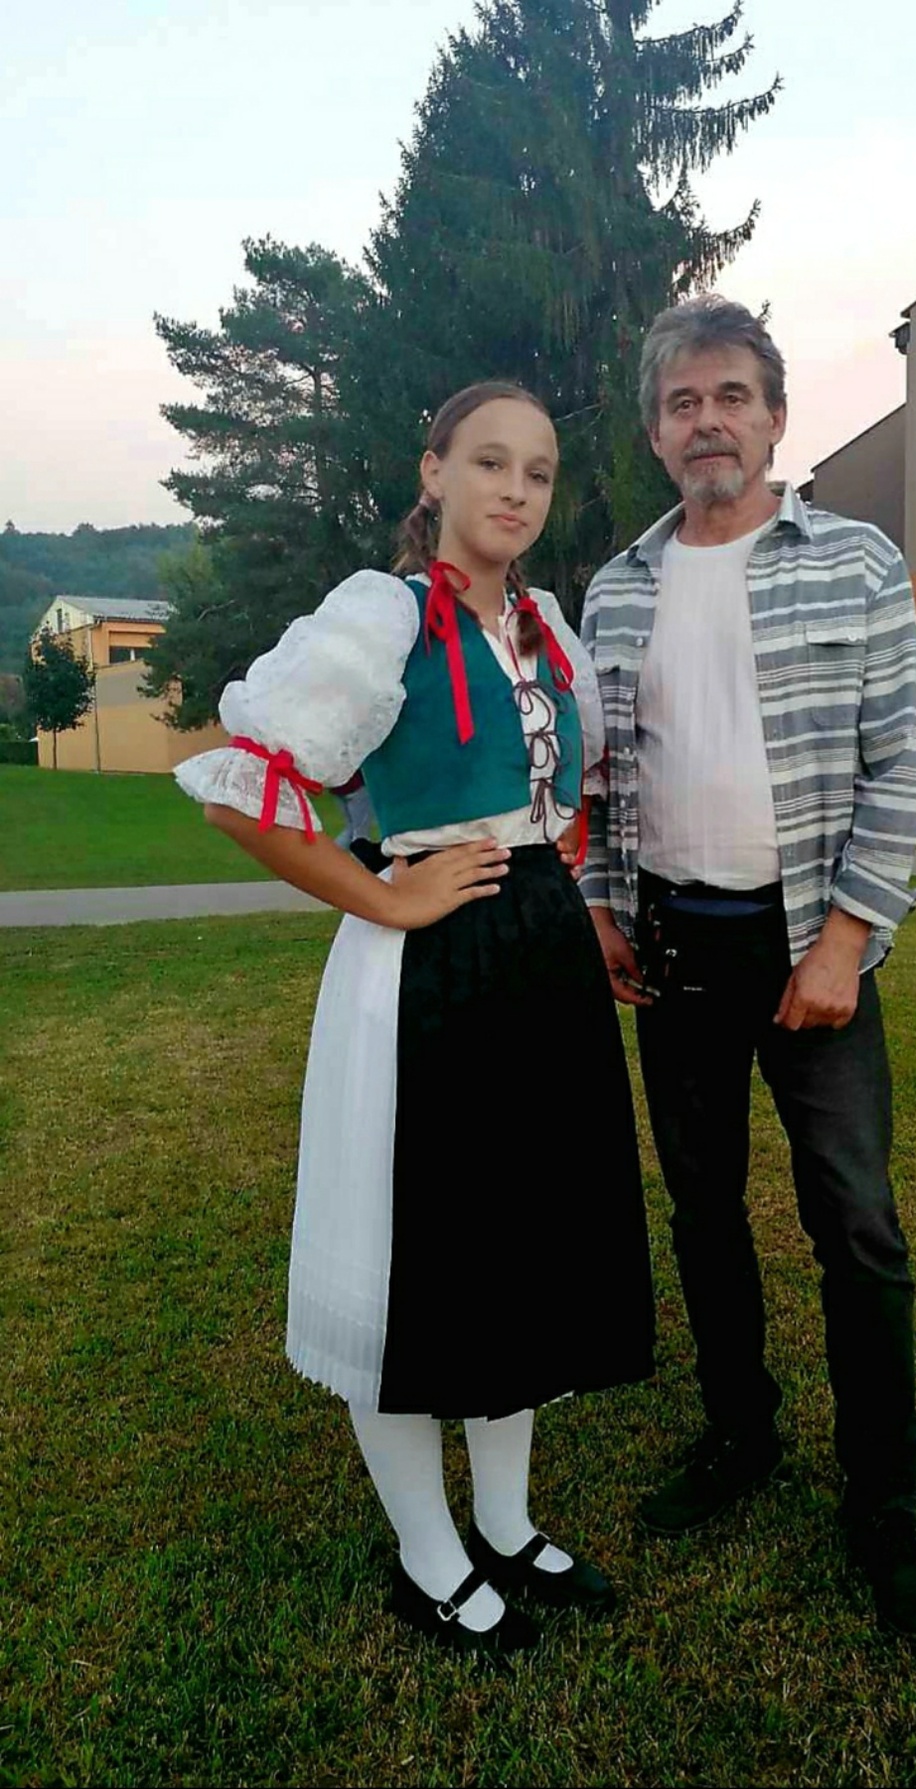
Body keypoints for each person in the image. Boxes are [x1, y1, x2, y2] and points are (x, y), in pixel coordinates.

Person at [175, 382, 655, 1658]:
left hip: (538, 955)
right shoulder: (381, 613)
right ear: (433, 471)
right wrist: (386, 895)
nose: (516, 490)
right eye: (489, 462)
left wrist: (565, 897)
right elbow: (240, 791)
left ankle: (505, 1520)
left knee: (520, 1251)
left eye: (538, 472)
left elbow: (562, 798)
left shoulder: (545, 627)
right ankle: (427, 1555)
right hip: (426, 966)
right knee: (418, 1263)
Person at [579, 297, 916, 1643]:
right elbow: (600, 778)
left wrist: (848, 938)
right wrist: (600, 907)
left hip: (812, 947)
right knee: (703, 1210)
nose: (709, 422)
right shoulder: (616, 591)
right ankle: (742, 1431)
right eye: (683, 403)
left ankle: (884, 1499)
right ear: (655, 432)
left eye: (732, 396)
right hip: (674, 946)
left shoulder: (856, 561)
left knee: (857, 1223)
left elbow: (902, 761)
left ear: (776, 417)